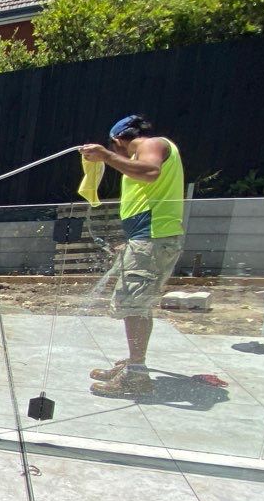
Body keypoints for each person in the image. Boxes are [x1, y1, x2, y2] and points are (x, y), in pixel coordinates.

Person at [79, 115, 185, 396]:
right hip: (149, 239)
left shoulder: (151, 145)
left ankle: (137, 374)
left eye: (113, 148)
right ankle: (134, 363)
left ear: (118, 141)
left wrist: (105, 157)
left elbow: (149, 172)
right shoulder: (152, 148)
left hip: (152, 238)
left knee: (133, 304)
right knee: (139, 303)